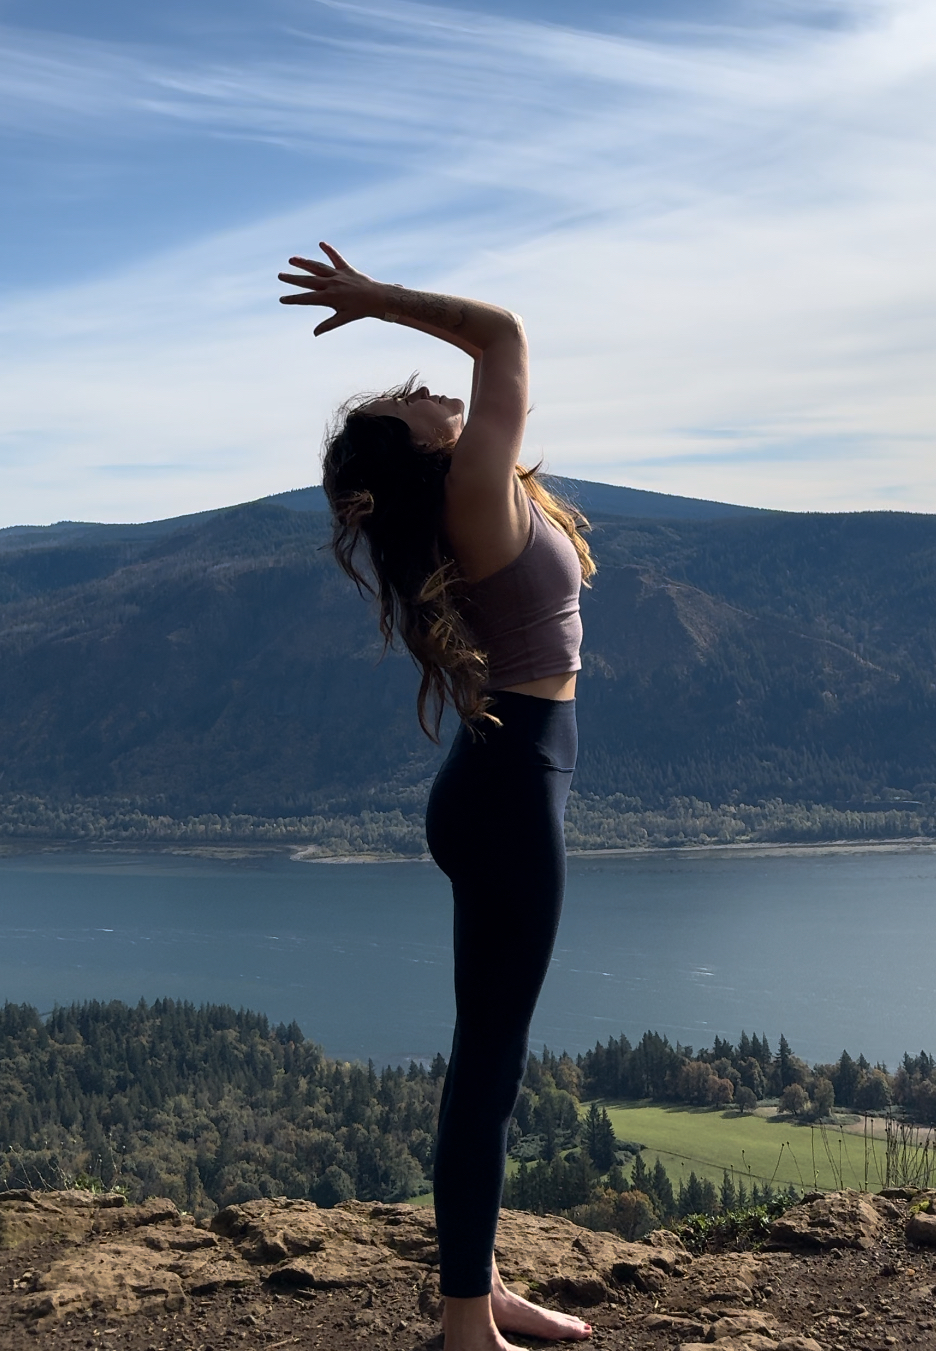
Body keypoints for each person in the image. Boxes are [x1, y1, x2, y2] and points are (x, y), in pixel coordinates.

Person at [278, 242, 596, 1351]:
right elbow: (500, 335)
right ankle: (467, 1323)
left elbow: (484, 355)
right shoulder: (470, 488)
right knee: (492, 1058)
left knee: (486, 1050)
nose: (424, 386)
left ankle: (480, 1284)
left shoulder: (472, 489)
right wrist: (377, 303)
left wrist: (379, 312)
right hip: (512, 786)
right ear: (417, 449)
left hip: (502, 777)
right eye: (405, 399)